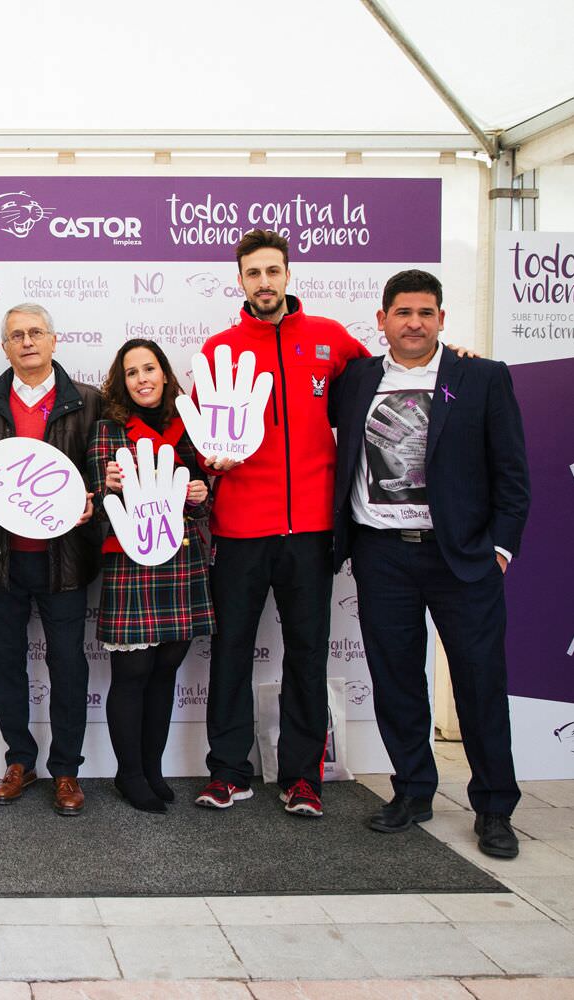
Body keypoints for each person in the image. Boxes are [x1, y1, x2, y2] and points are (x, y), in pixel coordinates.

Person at [330, 269, 529, 858]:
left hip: (462, 558)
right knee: (396, 682)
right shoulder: (357, 379)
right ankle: (414, 791)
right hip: (381, 555)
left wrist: (500, 549)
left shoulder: (481, 377)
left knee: (480, 684)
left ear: (441, 318)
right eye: (402, 312)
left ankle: (494, 807)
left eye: (425, 312)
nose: (413, 322)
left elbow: (512, 475)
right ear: (382, 320)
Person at [193, 229, 369, 817]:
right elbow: (199, 439)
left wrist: (458, 361)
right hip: (240, 528)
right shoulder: (219, 349)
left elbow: (387, 384)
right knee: (231, 651)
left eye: (273, 271)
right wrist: (205, 462)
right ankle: (229, 773)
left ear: (288, 275)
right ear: (239, 280)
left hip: (313, 529)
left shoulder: (329, 339)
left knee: (308, 653)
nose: (264, 282)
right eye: (253, 273)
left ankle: (301, 777)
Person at [0, 304, 97, 816]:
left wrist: (92, 501)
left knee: (68, 665)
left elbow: (99, 472)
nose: (27, 341)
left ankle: (67, 772)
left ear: (54, 340)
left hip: (65, 560)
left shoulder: (88, 402)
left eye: (36, 332)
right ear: (5, 346)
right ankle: (19, 760)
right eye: (17, 335)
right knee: (6, 663)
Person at [87, 339, 214, 813]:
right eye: (132, 372)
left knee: (165, 671)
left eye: (150, 369)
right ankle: (129, 773)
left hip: (182, 561)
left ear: (164, 374)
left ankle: (153, 767)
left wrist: (201, 494)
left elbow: (209, 498)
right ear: (122, 382)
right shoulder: (109, 428)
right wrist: (108, 487)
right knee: (133, 671)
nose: (142, 379)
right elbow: (97, 498)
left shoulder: (191, 427)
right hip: (132, 562)